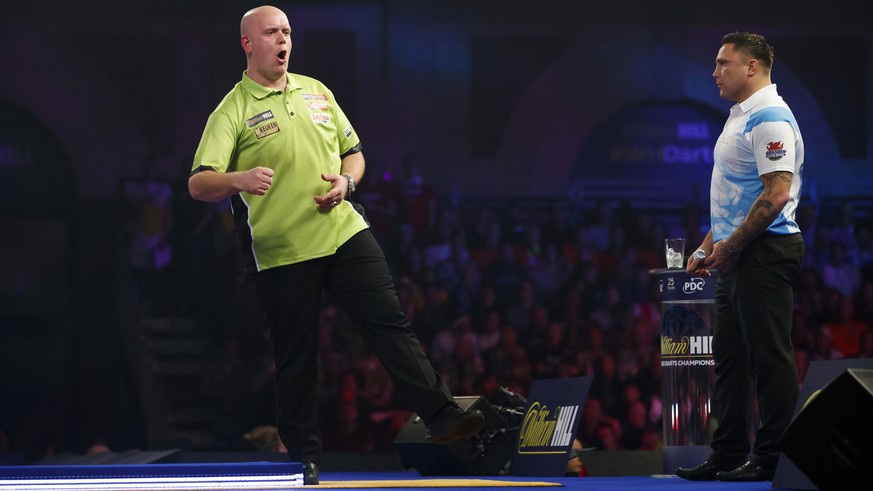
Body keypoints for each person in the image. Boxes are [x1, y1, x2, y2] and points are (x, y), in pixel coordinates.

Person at [188, 5, 484, 485]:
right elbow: (199, 184)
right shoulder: (232, 109)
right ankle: (303, 457)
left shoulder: (316, 90)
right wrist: (239, 177)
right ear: (248, 43)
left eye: (287, 31)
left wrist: (348, 183)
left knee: (390, 321)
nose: (283, 40)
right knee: (296, 356)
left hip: (343, 230)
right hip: (282, 250)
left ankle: (442, 416)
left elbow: (355, 154)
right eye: (271, 33)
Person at [676, 32, 806, 482]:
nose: (714, 72)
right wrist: (707, 247)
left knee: (770, 357)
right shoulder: (739, 116)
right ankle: (728, 452)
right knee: (730, 362)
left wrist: (731, 248)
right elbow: (735, 199)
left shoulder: (770, 117)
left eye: (723, 63)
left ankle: (772, 456)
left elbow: (776, 193)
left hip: (765, 251)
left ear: (752, 67)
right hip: (736, 255)